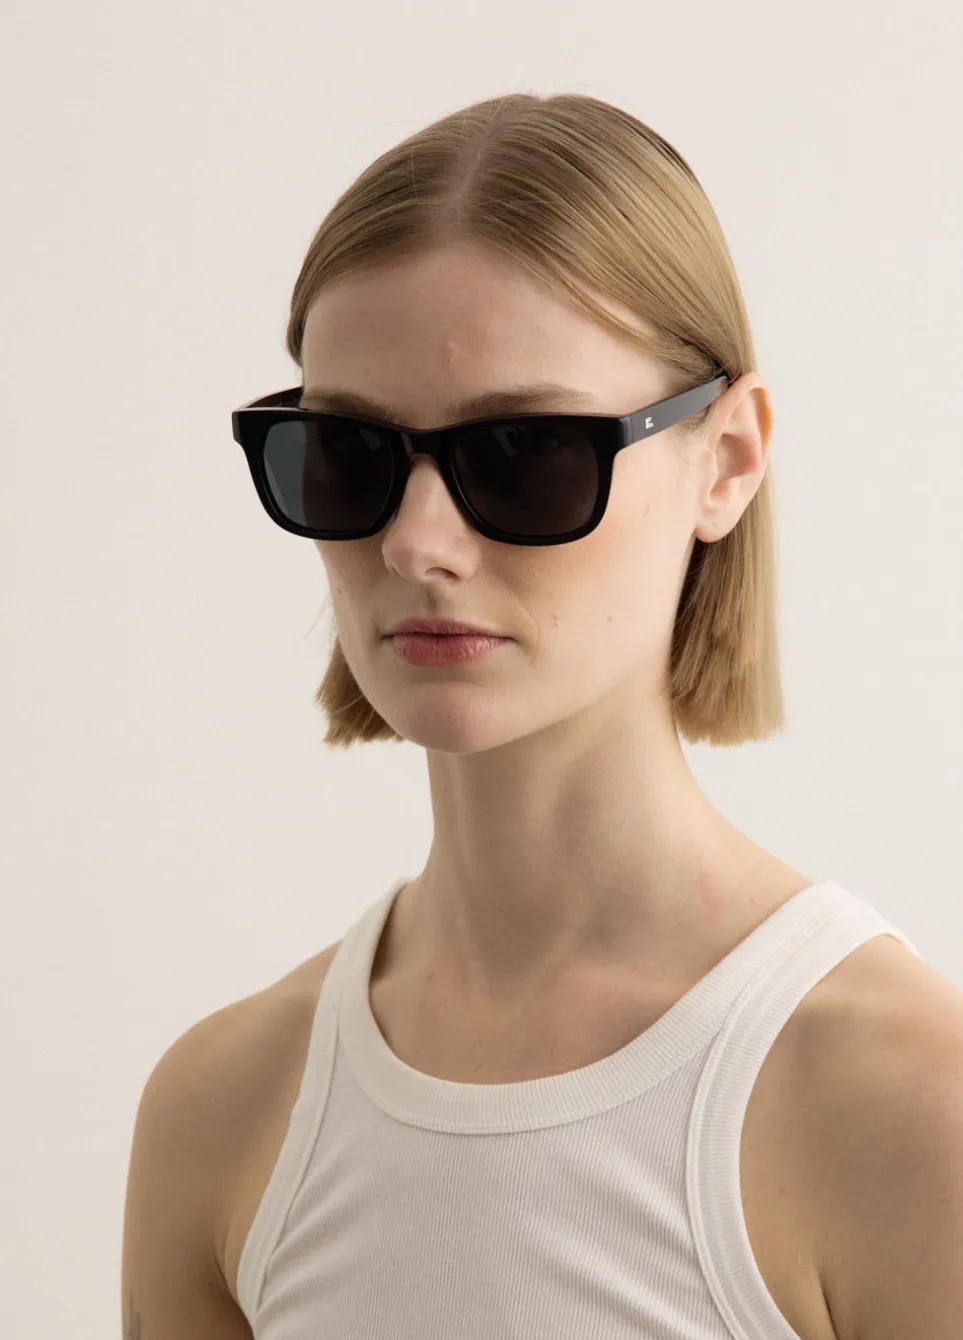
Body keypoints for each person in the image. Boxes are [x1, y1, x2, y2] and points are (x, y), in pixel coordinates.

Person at [126, 92, 963, 1340]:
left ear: (728, 458)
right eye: (348, 453)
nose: (416, 542)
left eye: (525, 452)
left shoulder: (909, 1100)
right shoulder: (222, 1106)